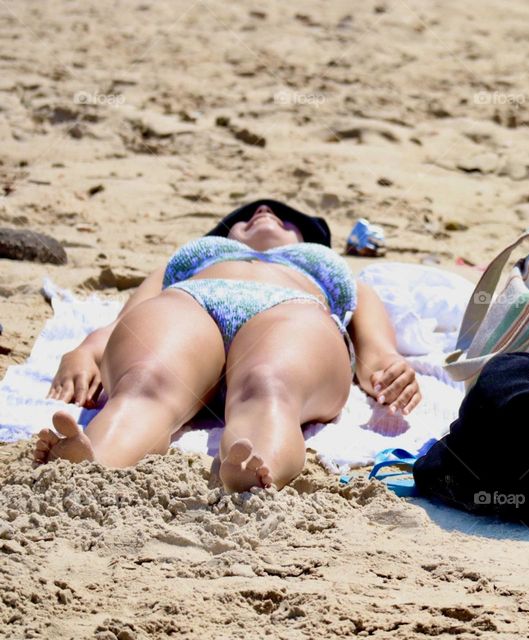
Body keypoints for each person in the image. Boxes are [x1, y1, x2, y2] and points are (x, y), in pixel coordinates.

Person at [35, 200, 421, 492]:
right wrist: (87, 349)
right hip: (190, 303)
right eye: (246, 214)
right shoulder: (191, 263)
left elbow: (376, 352)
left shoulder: (332, 272)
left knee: (270, 386)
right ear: (225, 235)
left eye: (286, 217)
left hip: (291, 309)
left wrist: (389, 367)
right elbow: (124, 323)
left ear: (307, 239)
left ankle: (254, 463)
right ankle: (95, 459)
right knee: (144, 381)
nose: (265, 210)